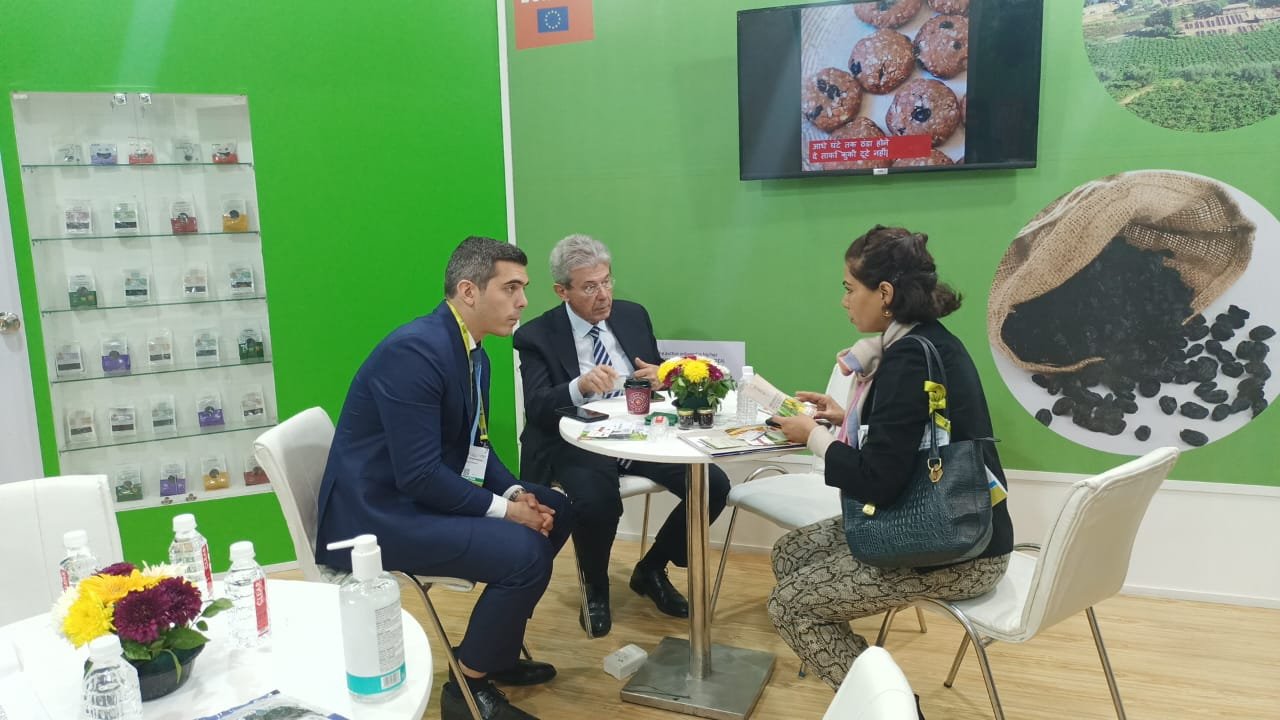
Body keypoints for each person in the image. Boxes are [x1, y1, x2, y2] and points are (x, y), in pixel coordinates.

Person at [315, 236, 573, 720]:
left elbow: (476, 447)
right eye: (511, 288)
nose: (522, 301)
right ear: (469, 291)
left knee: (557, 510)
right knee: (525, 552)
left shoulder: (474, 353)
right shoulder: (416, 352)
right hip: (374, 518)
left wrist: (517, 492)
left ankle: (492, 651)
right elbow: (419, 475)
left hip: (410, 497)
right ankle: (466, 688)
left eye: (523, 288)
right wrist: (506, 512)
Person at [767, 225, 1013, 693]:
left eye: (849, 288)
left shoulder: (907, 360)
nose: (844, 300)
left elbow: (877, 482)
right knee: (791, 552)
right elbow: (909, 435)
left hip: (957, 552)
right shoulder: (930, 341)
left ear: (884, 293)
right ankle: (859, 676)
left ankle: (891, 707)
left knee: (790, 605)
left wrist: (813, 437)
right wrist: (845, 417)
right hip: (962, 525)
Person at [514, 234, 731, 637]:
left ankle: (652, 568)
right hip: (577, 438)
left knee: (712, 485)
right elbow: (538, 406)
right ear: (562, 291)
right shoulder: (537, 335)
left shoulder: (632, 315)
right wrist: (579, 385)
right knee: (598, 501)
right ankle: (595, 588)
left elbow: (656, 372)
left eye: (607, 281)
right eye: (589, 287)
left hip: (637, 433)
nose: (603, 295)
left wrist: (663, 375)